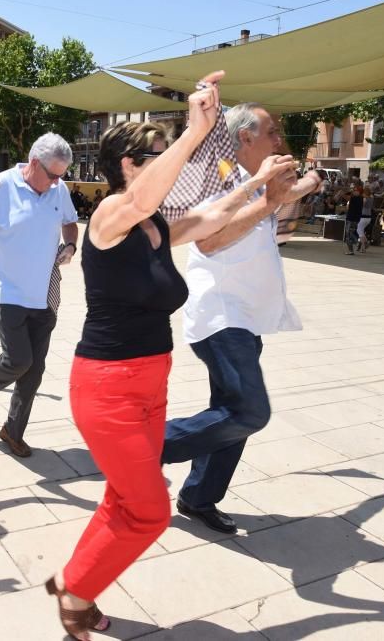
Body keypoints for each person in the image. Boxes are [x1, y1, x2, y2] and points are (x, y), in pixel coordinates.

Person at [48, 75, 299, 640]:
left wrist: (259, 186)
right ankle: (74, 591)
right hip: (108, 388)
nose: (176, 167)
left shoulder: (156, 227)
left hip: (148, 385)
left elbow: (210, 221)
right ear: (129, 165)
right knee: (150, 511)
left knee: (123, 500)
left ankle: (76, 585)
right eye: (158, 158)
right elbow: (141, 198)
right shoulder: (112, 216)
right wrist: (195, 130)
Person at [158, 102, 318, 538]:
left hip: (245, 319)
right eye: (272, 132)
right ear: (245, 138)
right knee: (249, 411)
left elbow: (272, 204)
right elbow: (209, 243)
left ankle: (198, 496)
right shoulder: (219, 179)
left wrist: (302, 186)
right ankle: (143, 448)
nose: (279, 140)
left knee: (229, 413)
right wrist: (270, 199)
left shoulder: (250, 181)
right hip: (221, 317)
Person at [0, 132, 79, 458]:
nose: (56, 182)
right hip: (7, 291)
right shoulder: (3, 185)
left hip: (44, 295)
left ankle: (13, 430)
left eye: (61, 176)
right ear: (34, 163)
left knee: (33, 372)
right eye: (52, 175)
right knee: (19, 360)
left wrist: (70, 245)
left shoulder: (57, 188)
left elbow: (70, 222)